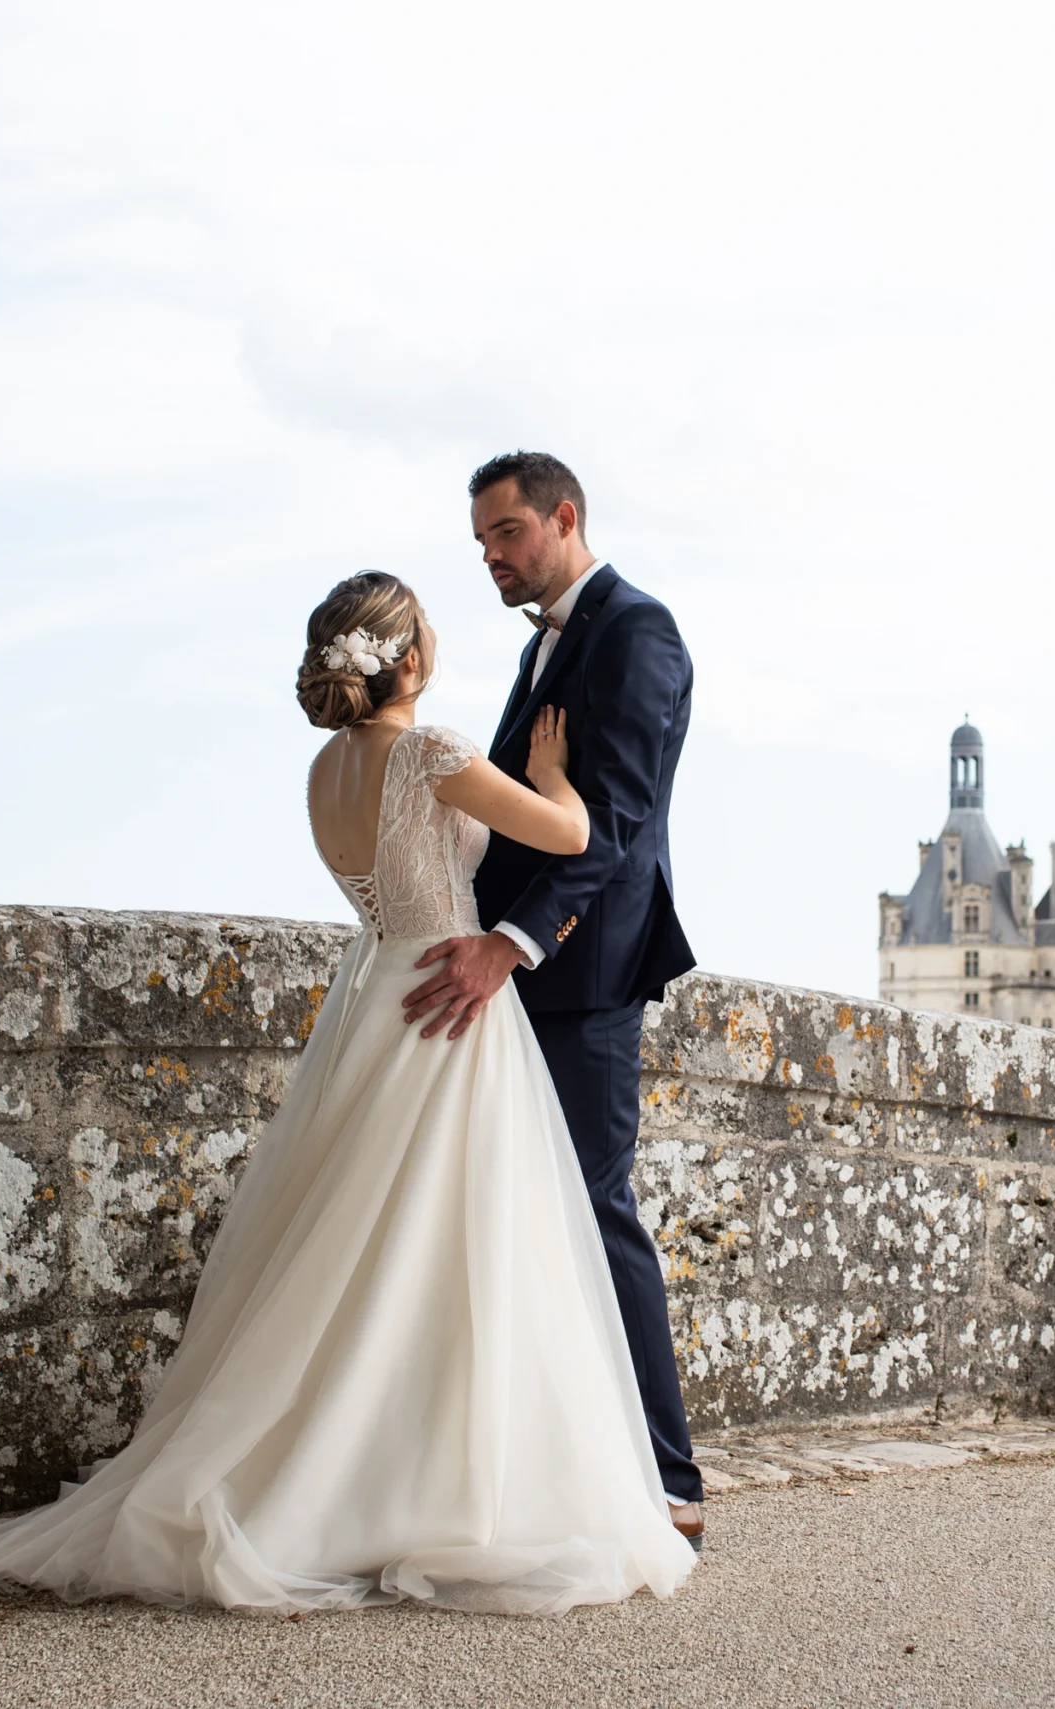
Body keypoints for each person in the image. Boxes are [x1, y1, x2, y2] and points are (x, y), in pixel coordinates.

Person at [0, 571, 696, 1615]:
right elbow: (571, 838)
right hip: (451, 1000)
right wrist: (556, 774)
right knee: (459, 1241)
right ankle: (436, 1477)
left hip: (373, 998)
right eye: (426, 624)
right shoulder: (434, 750)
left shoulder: (324, 769)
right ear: (405, 656)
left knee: (360, 1239)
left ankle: (356, 1465)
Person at [398, 450, 705, 1547]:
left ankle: (670, 1481)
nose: (490, 555)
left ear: (564, 517)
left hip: (580, 974)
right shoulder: (546, 645)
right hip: (508, 971)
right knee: (517, 1209)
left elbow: (611, 824)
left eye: (507, 533)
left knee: (593, 1205)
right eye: (480, 540)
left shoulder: (638, 632)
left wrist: (508, 945)